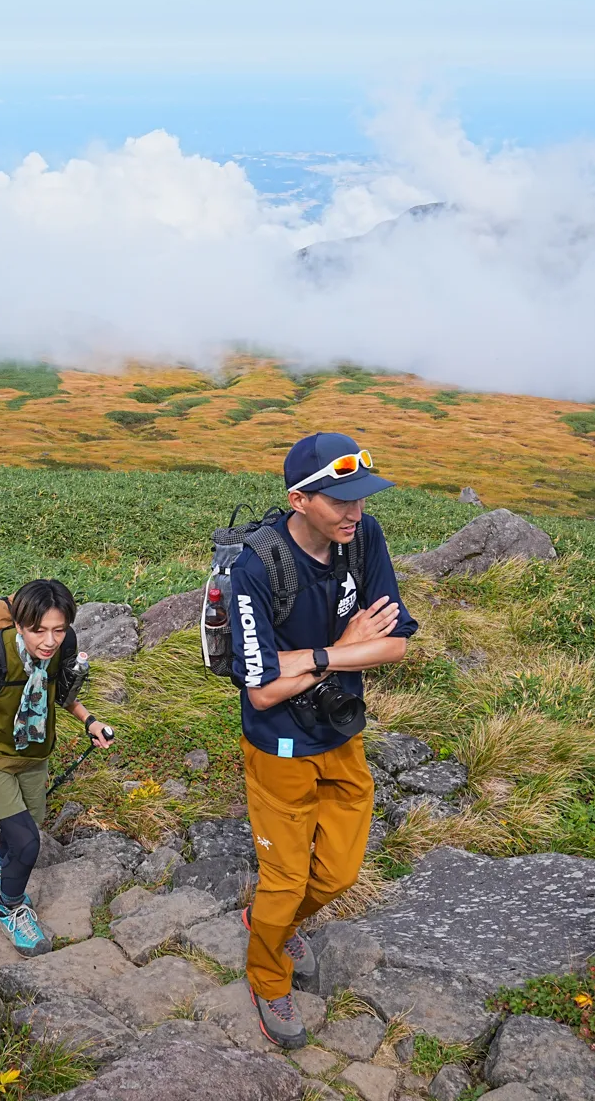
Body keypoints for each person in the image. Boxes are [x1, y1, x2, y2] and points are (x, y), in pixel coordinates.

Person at [231, 433, 418, 1048]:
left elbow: (395, 642)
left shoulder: (363, 539)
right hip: (277, 745)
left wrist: (307, 661)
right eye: (339, 501)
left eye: (360, 499)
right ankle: (268, 976)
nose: (354, 513)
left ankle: (269, 924)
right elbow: (260, 692)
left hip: (340, 731)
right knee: (285, 877)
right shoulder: (255, 567)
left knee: (338, 872)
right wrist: (343, 649)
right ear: (298, 499)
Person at [0, 578, 114, 956]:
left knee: (22, 823)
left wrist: (89, 721)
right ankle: (11, 907)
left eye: (58, 629)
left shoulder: (63, 647)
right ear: (19, 625)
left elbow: (62, 694)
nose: (49, 641)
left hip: (34, 754)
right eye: (38, 630)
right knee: (27, 840)